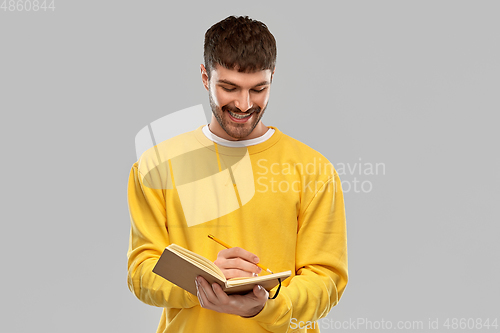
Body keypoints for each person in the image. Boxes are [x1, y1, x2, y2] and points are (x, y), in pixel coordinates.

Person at [127, 15, 348, 333]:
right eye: (229, 88)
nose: (244, 104)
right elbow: (140, 272)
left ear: (273, 77)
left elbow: (327, 282)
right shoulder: (156, 166)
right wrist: (203, 279)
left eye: (258, 89)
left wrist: (266, 305)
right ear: (205, 77)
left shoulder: (314, 171)